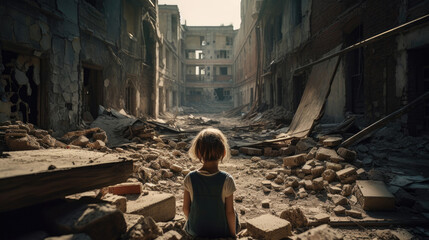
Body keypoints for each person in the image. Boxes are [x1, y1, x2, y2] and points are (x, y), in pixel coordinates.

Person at [183, 128, 239, 238]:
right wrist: (233, 236)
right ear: (223, 152)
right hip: (220, 233)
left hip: (196, 232)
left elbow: (185, 209)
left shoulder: (189, 178)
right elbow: (229, 213)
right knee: (235, 213)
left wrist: (195, 223)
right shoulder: (227, 180)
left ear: (198, 153)